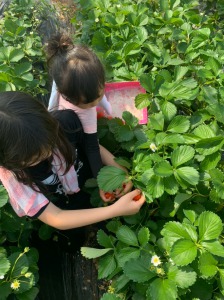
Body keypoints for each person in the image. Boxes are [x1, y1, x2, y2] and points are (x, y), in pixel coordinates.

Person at [0, 92, 145, 231]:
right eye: (34, 158)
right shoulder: (15, 177)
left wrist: (117, 172)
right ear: (8, 161)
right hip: (62, 202)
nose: (47, 153)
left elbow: (91, 146)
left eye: (49, 143)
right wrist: (114, 210)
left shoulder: (64, 122)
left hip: (86, 174)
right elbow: (57, 217)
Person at [44, 33, 131, 202]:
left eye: (99, 95)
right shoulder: (85, 114)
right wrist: (103, 181)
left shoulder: (64, 80)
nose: (96, 103)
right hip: (65, 142)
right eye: (90, 102)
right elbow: (92, 147)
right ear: (67, 96)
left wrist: (107, 108)